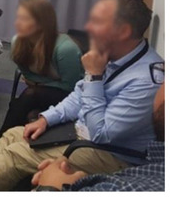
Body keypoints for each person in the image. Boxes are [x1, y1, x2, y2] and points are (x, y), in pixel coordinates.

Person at [0, 0, 162, 191]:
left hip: (111, 154)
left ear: (123, 31)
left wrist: (94, 76)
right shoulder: (112, 55)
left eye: (98, 22)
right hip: (82, 134)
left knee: (17, 154)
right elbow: (78, 96)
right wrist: (46, 119)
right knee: (13, 135)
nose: (89, 27)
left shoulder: (146, 81)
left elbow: (102, 134)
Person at [33, 74, 164, 192]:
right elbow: (78, 96)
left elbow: (99, 134)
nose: (162, 81)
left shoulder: (147, 78)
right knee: (18, 134)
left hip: (107, 150)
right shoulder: (103, 62)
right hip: (79, 134)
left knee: (19, 152)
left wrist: (49, 189)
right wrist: (46, 118)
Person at [0, 0, 83, 137]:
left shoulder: (65, 49)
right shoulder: (17, 41)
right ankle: (6, 139)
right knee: (25, 101)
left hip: (70, 96)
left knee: (30, 96)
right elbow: (28, 75)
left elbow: (70, 86)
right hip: (42, 90)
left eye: (24, 19)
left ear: (42, 23)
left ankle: (0, 139)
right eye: (18, 17)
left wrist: (38, 84)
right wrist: (39, 84)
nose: (17, 23)